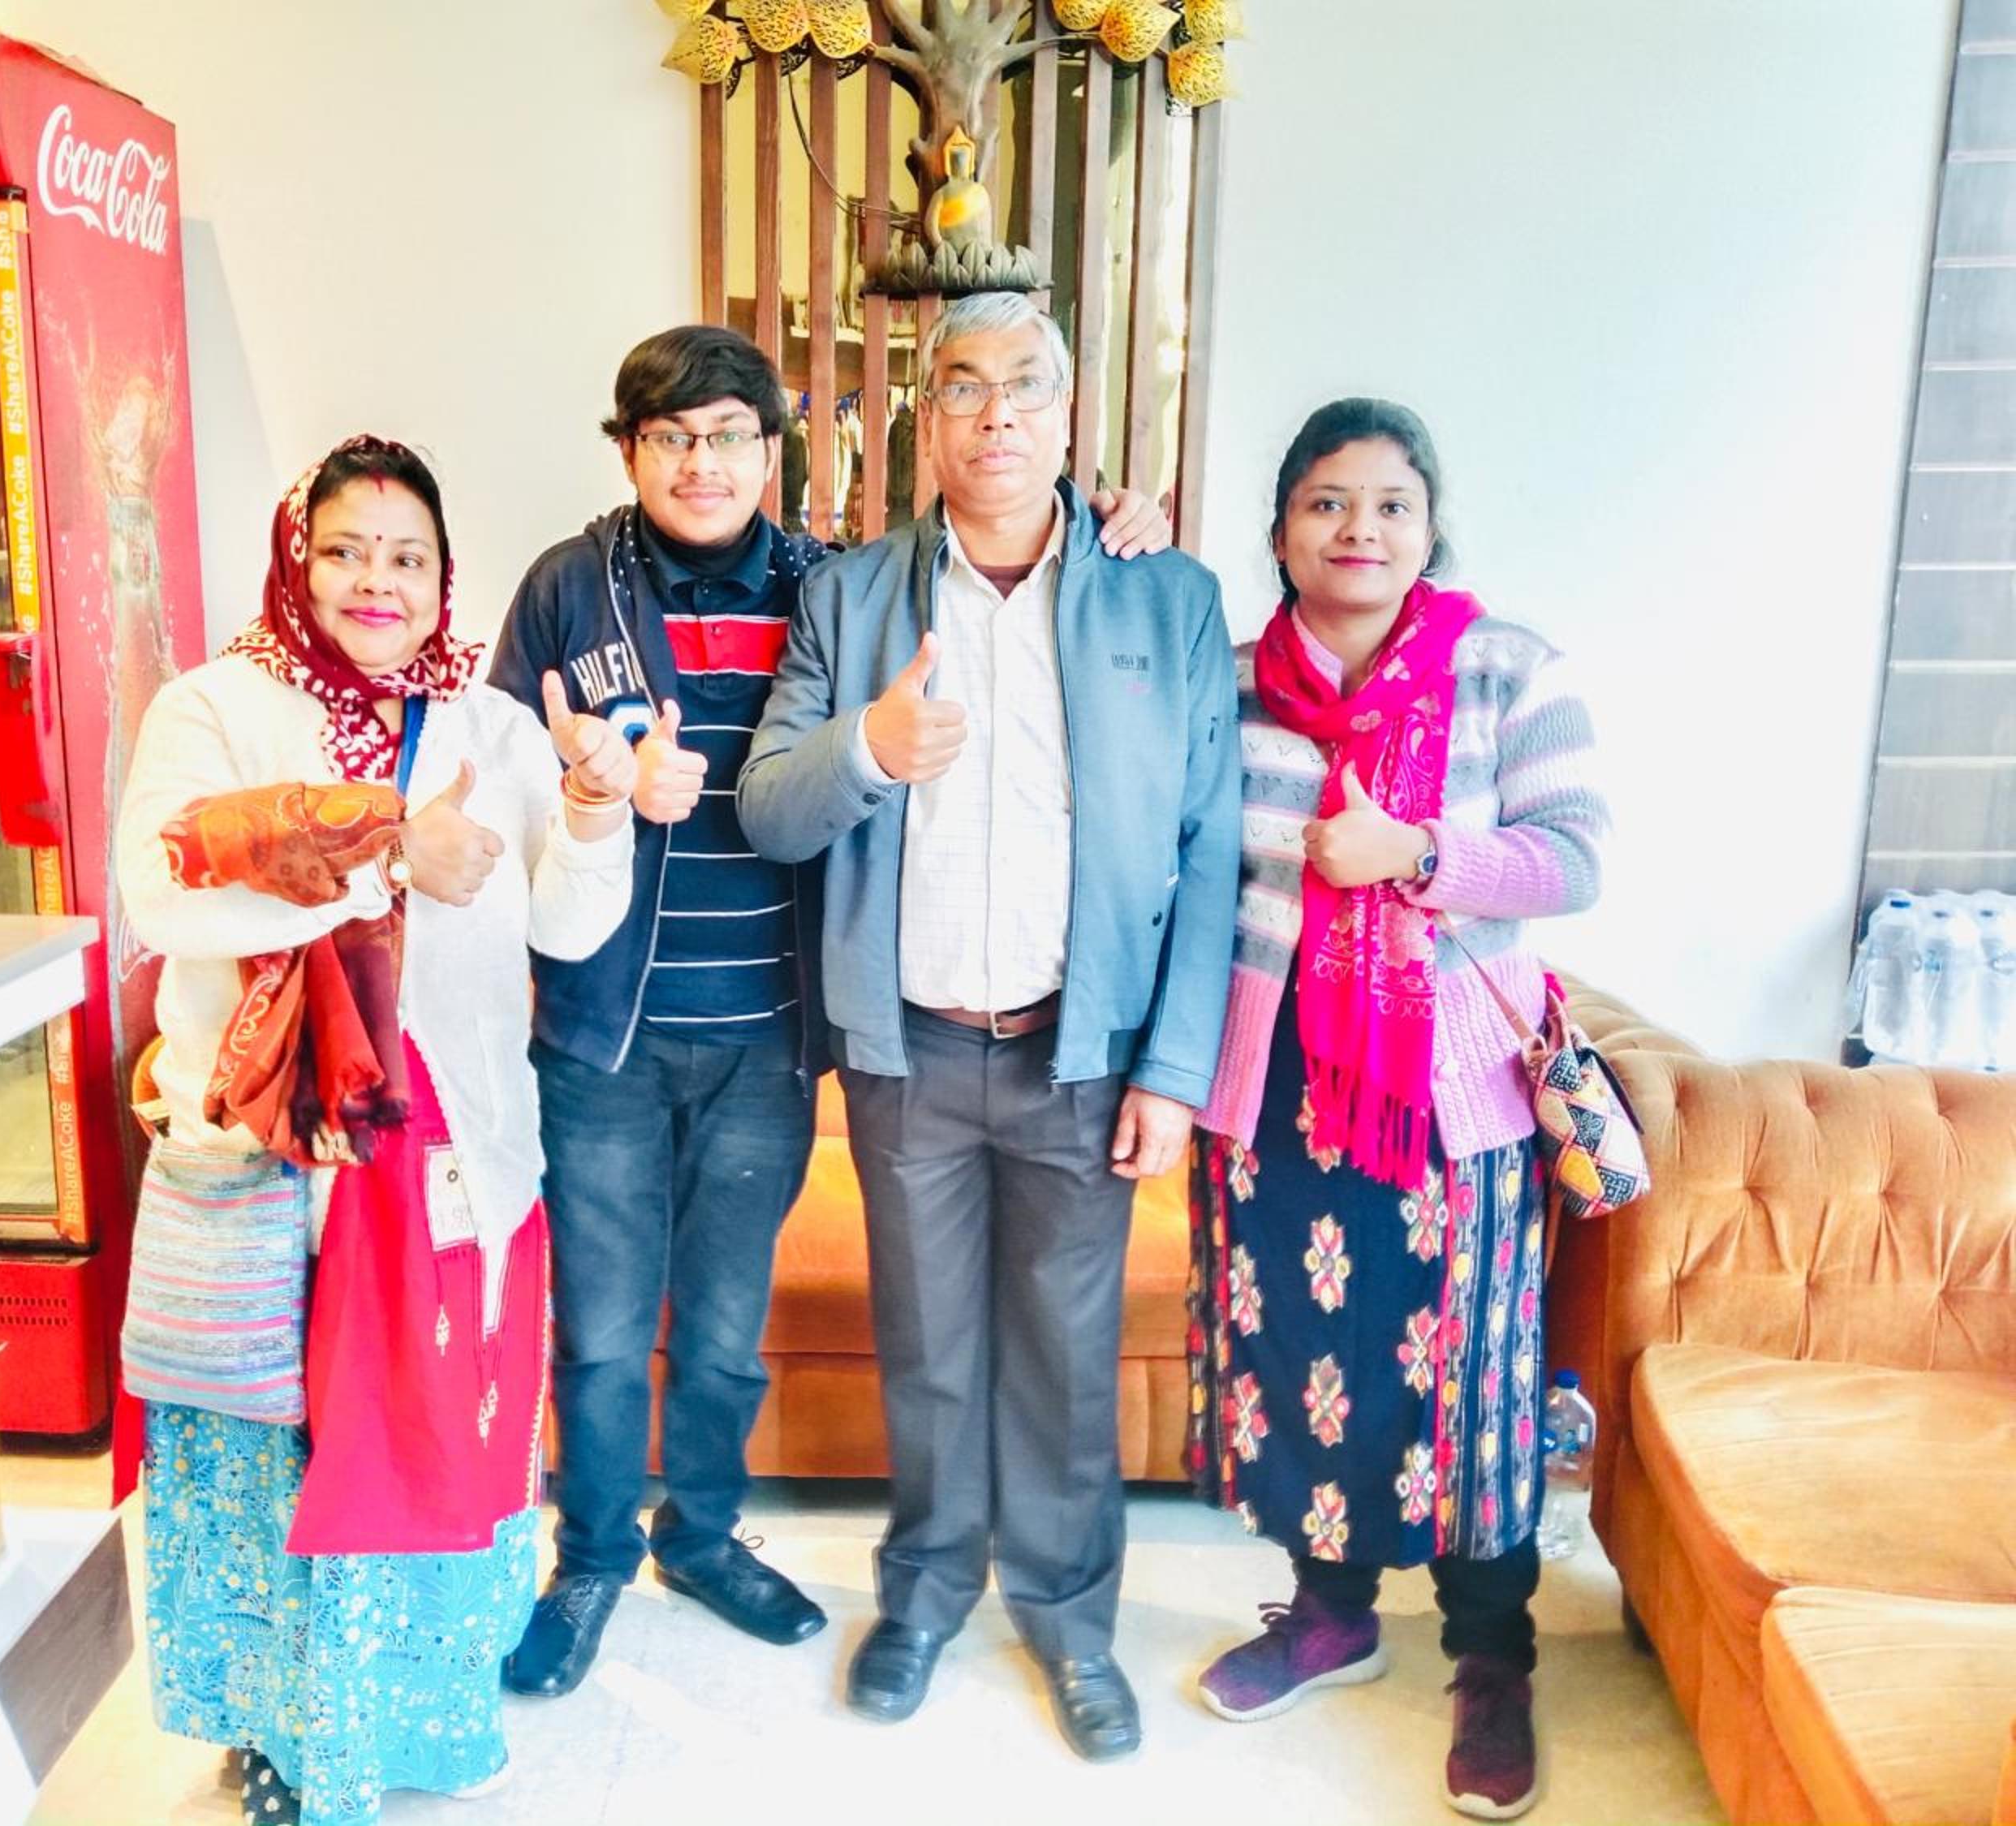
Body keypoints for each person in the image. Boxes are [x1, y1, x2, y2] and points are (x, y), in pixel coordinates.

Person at [487, 323, 1178, 1697]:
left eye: (729, 435)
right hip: (603, 1030)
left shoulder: (833, 587)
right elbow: (499, 767)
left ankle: (700, 1536)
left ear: (775, 451)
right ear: (628, 452)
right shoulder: (569, 584)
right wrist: (577, 780)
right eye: (670, 437)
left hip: (767, 1031)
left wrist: (1115, 522)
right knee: (605, 1328)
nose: (701, 462)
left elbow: (996, 603)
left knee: (724, 1329)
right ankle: (593, 1558)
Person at [735, 291, 1240, 1762]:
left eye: (1026, 385)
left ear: (1069, 415)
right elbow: (769, 807)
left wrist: (1174, 1068)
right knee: (930, 1348)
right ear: (928, 418)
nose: (996, 413)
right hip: (912, 1050)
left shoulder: (1165, 598)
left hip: (1082, 1053)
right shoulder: (851, 599)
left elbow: (1208, 844)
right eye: (962, 386)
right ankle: (927, 1592)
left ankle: (1073, 1623)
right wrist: (868, 748)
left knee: (1067, 1358)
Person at [114, 436, 635, 1824]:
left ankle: (422, 1718)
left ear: (443, 575)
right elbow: (166, 887)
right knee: (267, 1453)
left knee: (428, 1435)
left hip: (449, 1152)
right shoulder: (215, 706)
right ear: (299, 558)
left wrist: (593, 810)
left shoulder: (492, 727)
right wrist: (386, 849)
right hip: (266, 1158)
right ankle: (277, 1730)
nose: (376, 582)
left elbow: (570, 923)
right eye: (345, 550)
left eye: (407, 557)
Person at [1185, 398, 1608, 1821]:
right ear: (1282, 531)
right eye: (1326, 502)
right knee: (1306, 1353)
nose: (1357, 528)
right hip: (1278, 1077)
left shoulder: (1508, 670)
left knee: (1468, 1374)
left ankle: (1491, 1658)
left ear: (1429, 529)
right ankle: (1330, 1613)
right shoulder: (1232, 684)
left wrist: (1415, 850)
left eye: (1389, 504)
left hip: (1453, 1091)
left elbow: (1573, 858)